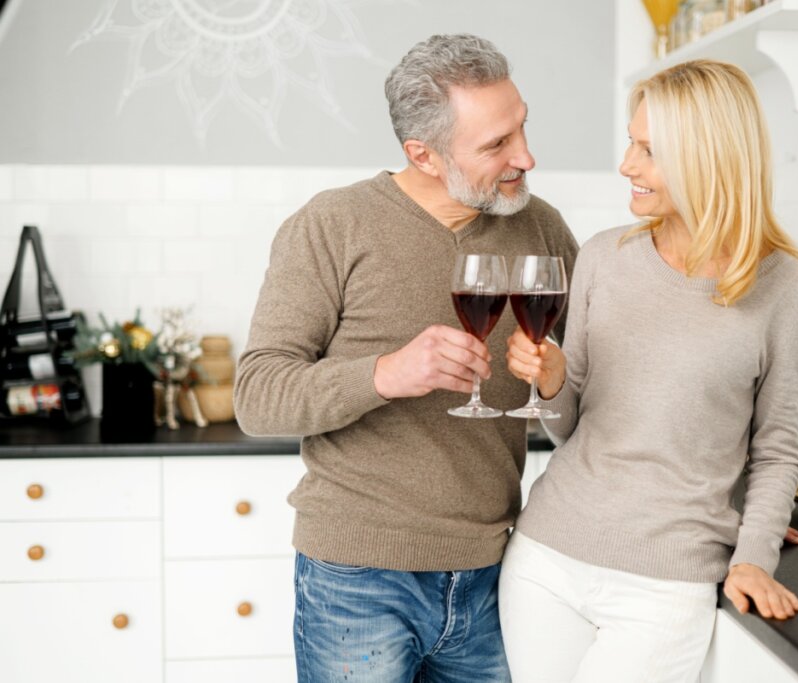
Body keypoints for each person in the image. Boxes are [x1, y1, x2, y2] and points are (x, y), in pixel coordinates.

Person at [233, 34, 578, 683]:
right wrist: (386, 373)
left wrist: (559, 378)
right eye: (495, 145)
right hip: (358, 580)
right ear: (422, 153)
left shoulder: (541, 228)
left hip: (495, 574)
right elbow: (257, 394)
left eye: (521, 127)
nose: (525, 157)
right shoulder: (332, 226)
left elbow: (597, 377)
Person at [499, 59, 798, 683]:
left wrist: (754, 557)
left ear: (709, 158)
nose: (627, 165)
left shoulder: (785, 291)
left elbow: (777, 450)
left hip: (667, 583)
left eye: (649, 150)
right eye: (631, 141)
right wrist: (554, 378)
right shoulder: (602, 257)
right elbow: (577, 430)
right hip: (546, 558)